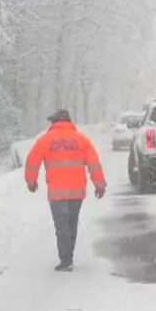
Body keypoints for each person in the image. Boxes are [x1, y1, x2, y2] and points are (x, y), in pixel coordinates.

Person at [25, 109, 107, 271]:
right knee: (71, 223)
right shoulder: (82, 140)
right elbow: (94, 163)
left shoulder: (46, 140)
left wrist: (31, 181)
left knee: (61, 225)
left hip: (57, 192)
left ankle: (66, 259)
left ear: (54, 123)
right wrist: (99, 184)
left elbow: (32, 161)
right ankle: (68, 256)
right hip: (77, 191)